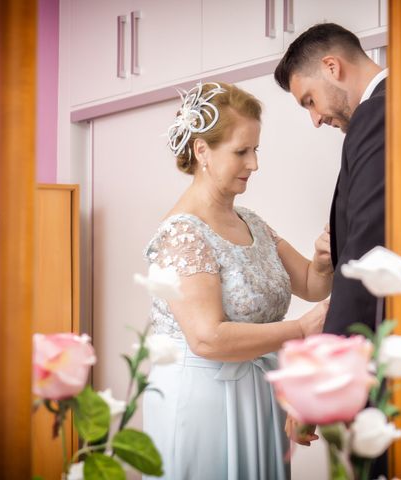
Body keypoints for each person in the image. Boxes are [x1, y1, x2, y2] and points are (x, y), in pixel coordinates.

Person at [142, 81, 331, 480]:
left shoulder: (252, 222)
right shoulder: (182, 234)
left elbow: (313, 285)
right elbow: (207, 338)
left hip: (258, 394)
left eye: (256, 149)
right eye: (241, 151)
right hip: (203, 402)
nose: (254, 164)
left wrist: (323, 258)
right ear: (202, 151)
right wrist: (299, 329)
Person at [274, 23, 389, 476]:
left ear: (332, 67)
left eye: (309, 101)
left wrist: (316, 383)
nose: (315, 118)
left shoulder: (375, 114)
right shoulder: (396, 106)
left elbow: (365, 254)